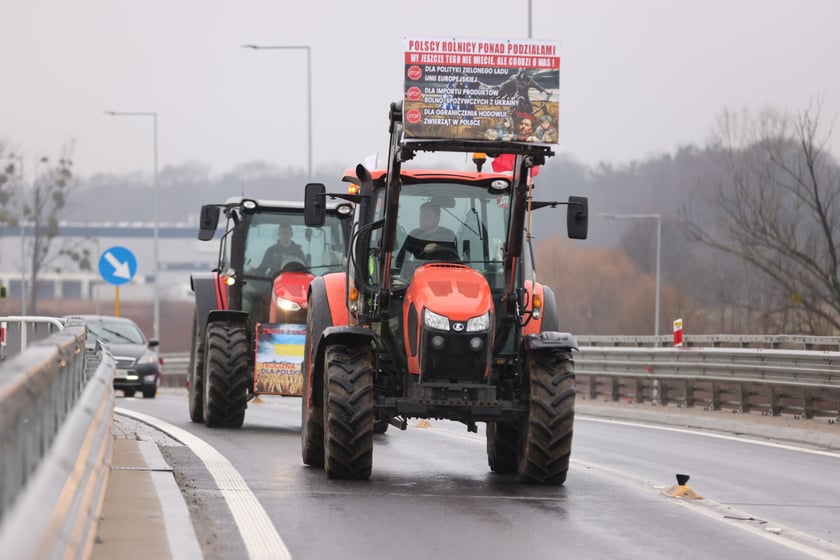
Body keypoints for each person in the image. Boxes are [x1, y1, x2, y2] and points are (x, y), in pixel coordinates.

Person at [395, 202, 458, 271]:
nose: (422, 220)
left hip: (444, 275)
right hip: (418, 276)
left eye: (427, 216)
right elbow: (399, 262)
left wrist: (438, 248)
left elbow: (455, 261)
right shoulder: (414, 235)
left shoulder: (448, 235)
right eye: (421, 216)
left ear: (437, 218)